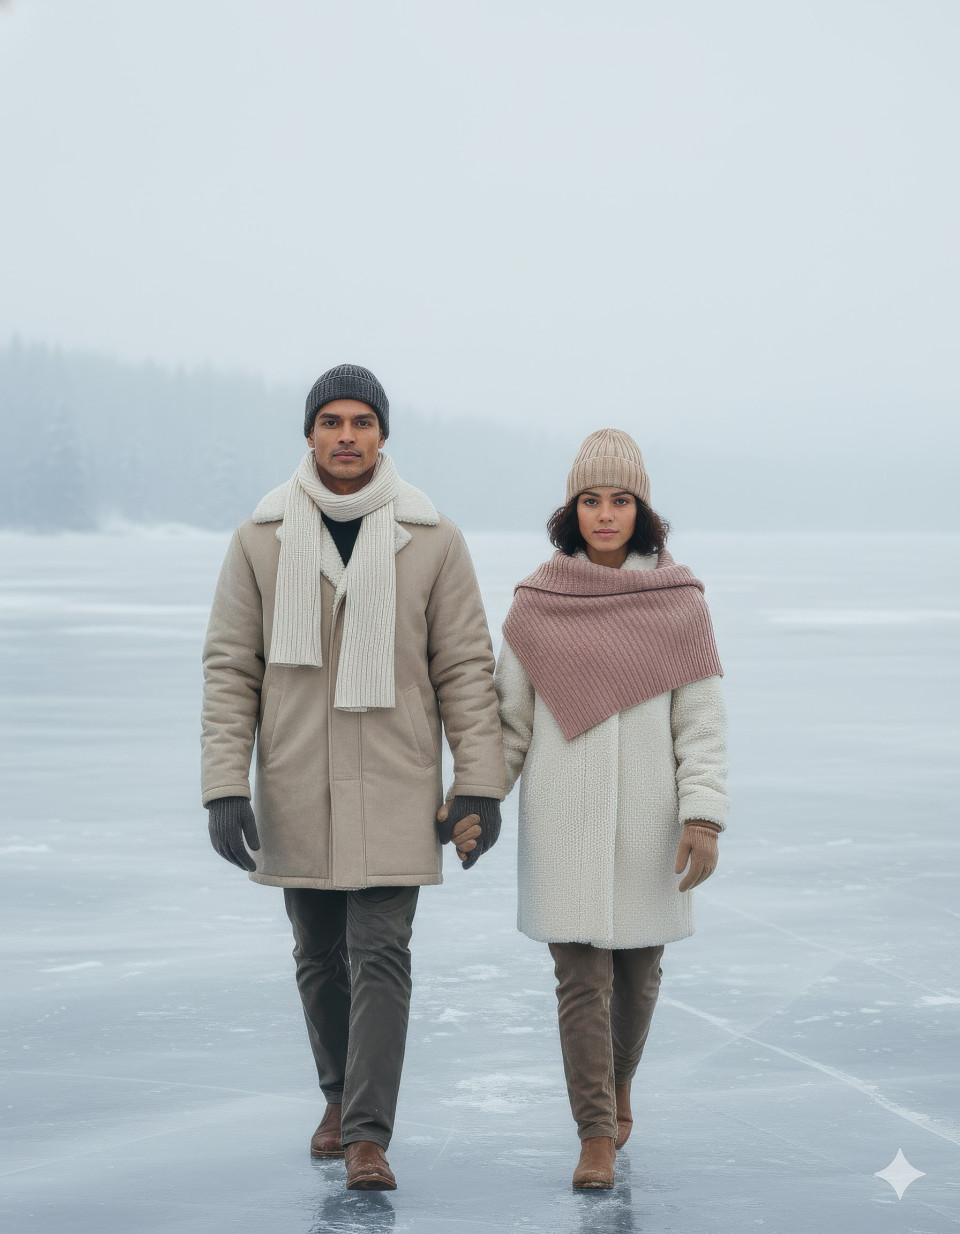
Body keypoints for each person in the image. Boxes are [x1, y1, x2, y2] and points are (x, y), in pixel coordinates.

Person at [200, 363, 505, 1191]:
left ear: (382, 435)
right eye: (331, 421)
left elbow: (466, 668)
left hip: (396, 780)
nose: (345, 436)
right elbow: (231, 669)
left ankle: (367, 1136)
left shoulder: (433, 537)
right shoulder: (260, 537)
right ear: (309, 433)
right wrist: (225, 784)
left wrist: (478, 784)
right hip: (297, 779)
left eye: (361, 422)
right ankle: (336, 1097)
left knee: (381, 954)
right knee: (317, 955)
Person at [491, 428, 729, 1190]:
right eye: (590, 501)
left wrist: (703, 816)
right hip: (562, 822)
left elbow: (701, 724)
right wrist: (478, 799)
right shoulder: (537, 604)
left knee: (638, 979)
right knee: (580, 981)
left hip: (649, 824)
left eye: (620, 501)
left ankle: (621, 1082)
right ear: (571, 510)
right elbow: (509, 724)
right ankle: (595, 1132)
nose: (604, 515)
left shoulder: (679, 604)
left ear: (641, 511)